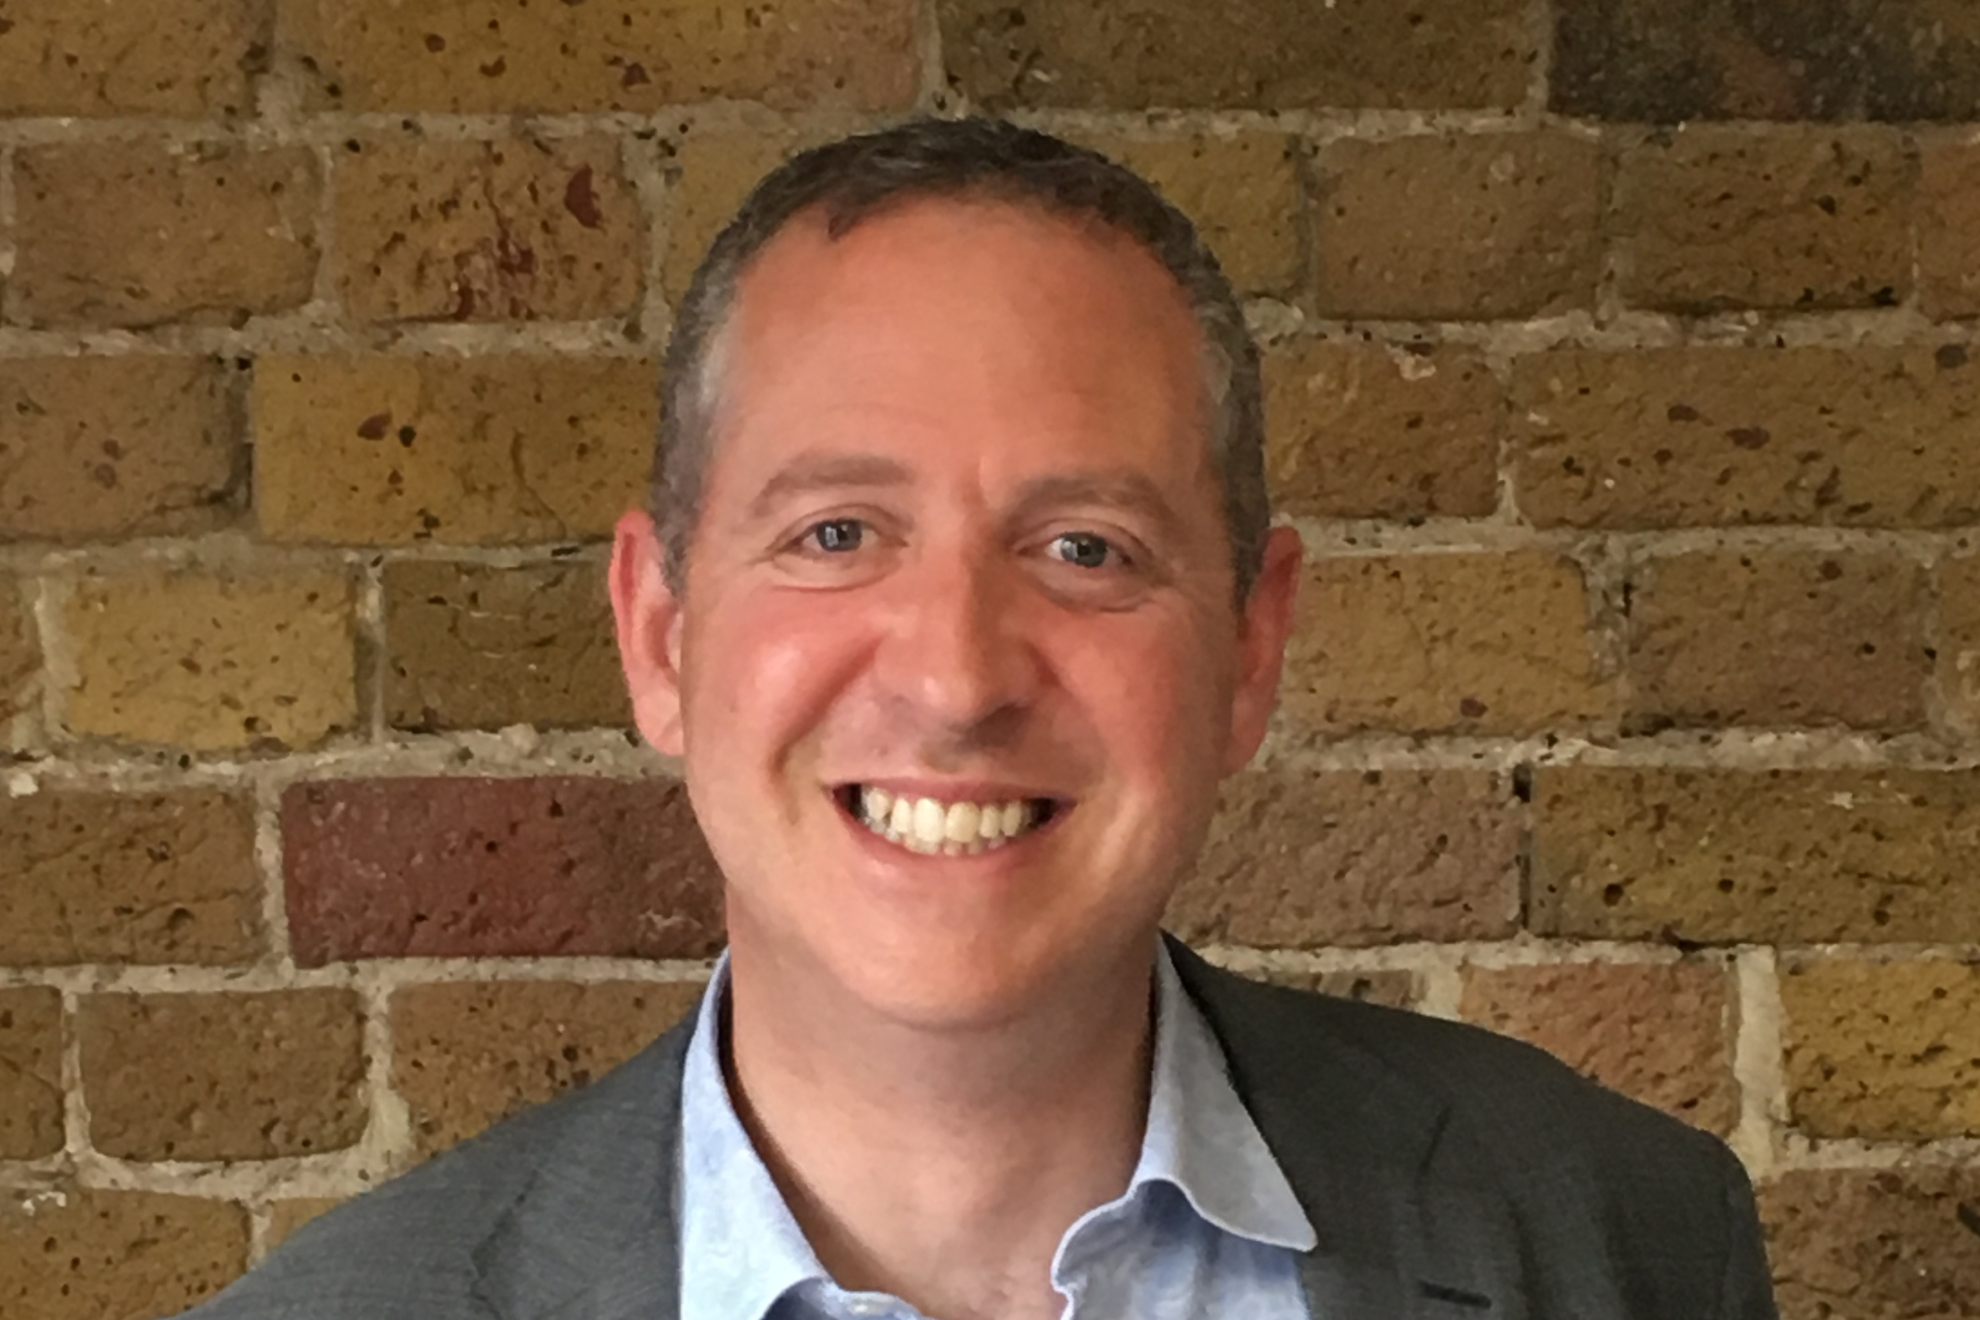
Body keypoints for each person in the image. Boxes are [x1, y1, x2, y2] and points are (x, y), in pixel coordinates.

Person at [187, 117, 1777, 1320]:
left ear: (1248, 645)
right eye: (836, 536)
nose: (954, 680)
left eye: (1084, 549)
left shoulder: (1624, 1236)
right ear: (661, 633)